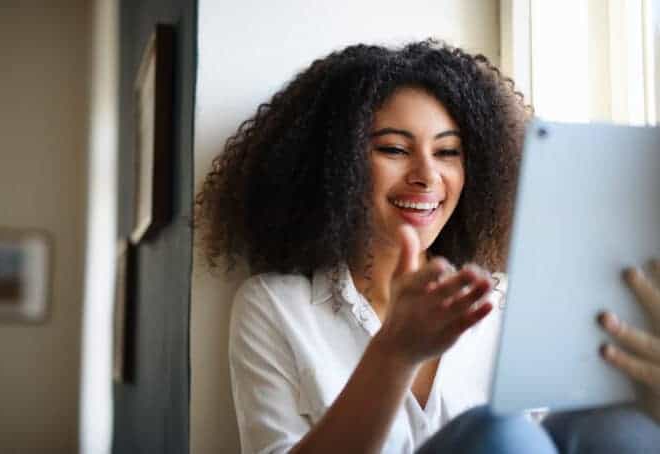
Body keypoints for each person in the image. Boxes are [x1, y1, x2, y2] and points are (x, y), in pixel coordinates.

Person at [196, 40, 660, 454]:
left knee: (614, 427)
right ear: (337, 166)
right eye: (395, 150)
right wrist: (394, 353)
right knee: (499, 434)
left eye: (447, 152)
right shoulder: (277, 307)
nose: (426, 175)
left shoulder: (511, 303)